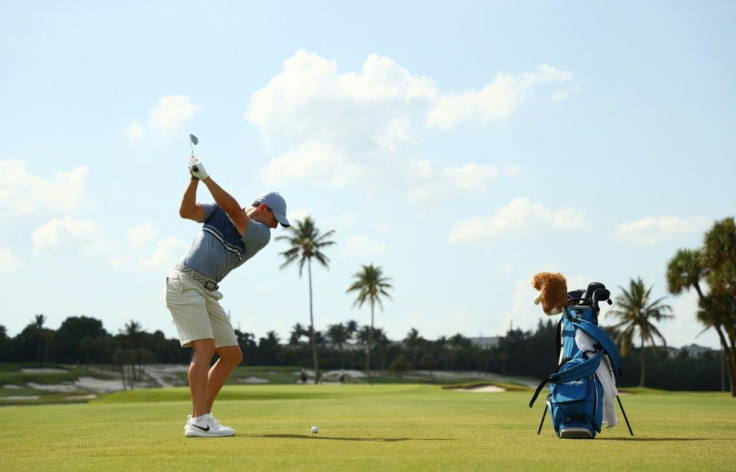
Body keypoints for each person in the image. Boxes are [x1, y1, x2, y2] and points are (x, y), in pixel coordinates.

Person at [164, 156, 289, 437]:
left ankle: (201, 418)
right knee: (206, 348)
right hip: (184, 282)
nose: (275, 227)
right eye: (275, 219)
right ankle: (200, 422)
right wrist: (194, 180)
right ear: (264, 208)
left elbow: (234, 210)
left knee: (231, 354)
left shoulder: (259, 235)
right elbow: (185, 211)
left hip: (206, 291)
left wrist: (207, 177)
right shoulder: (217, 213)